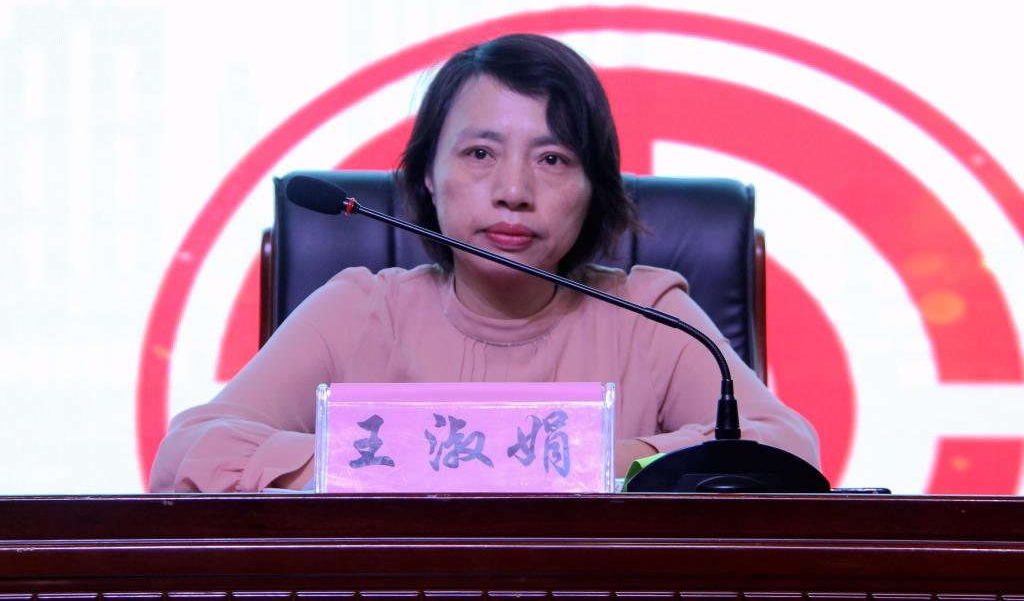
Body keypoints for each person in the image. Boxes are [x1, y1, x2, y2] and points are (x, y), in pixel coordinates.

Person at [150, 34, 819, 493]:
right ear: (428, 176)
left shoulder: (650, 315)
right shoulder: (359, 310)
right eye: (480, 154)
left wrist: (584, 460)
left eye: (553, 159)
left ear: (594, 189)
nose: (513, 190)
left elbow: (784, 449)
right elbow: (185, 456)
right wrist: (380, 462)